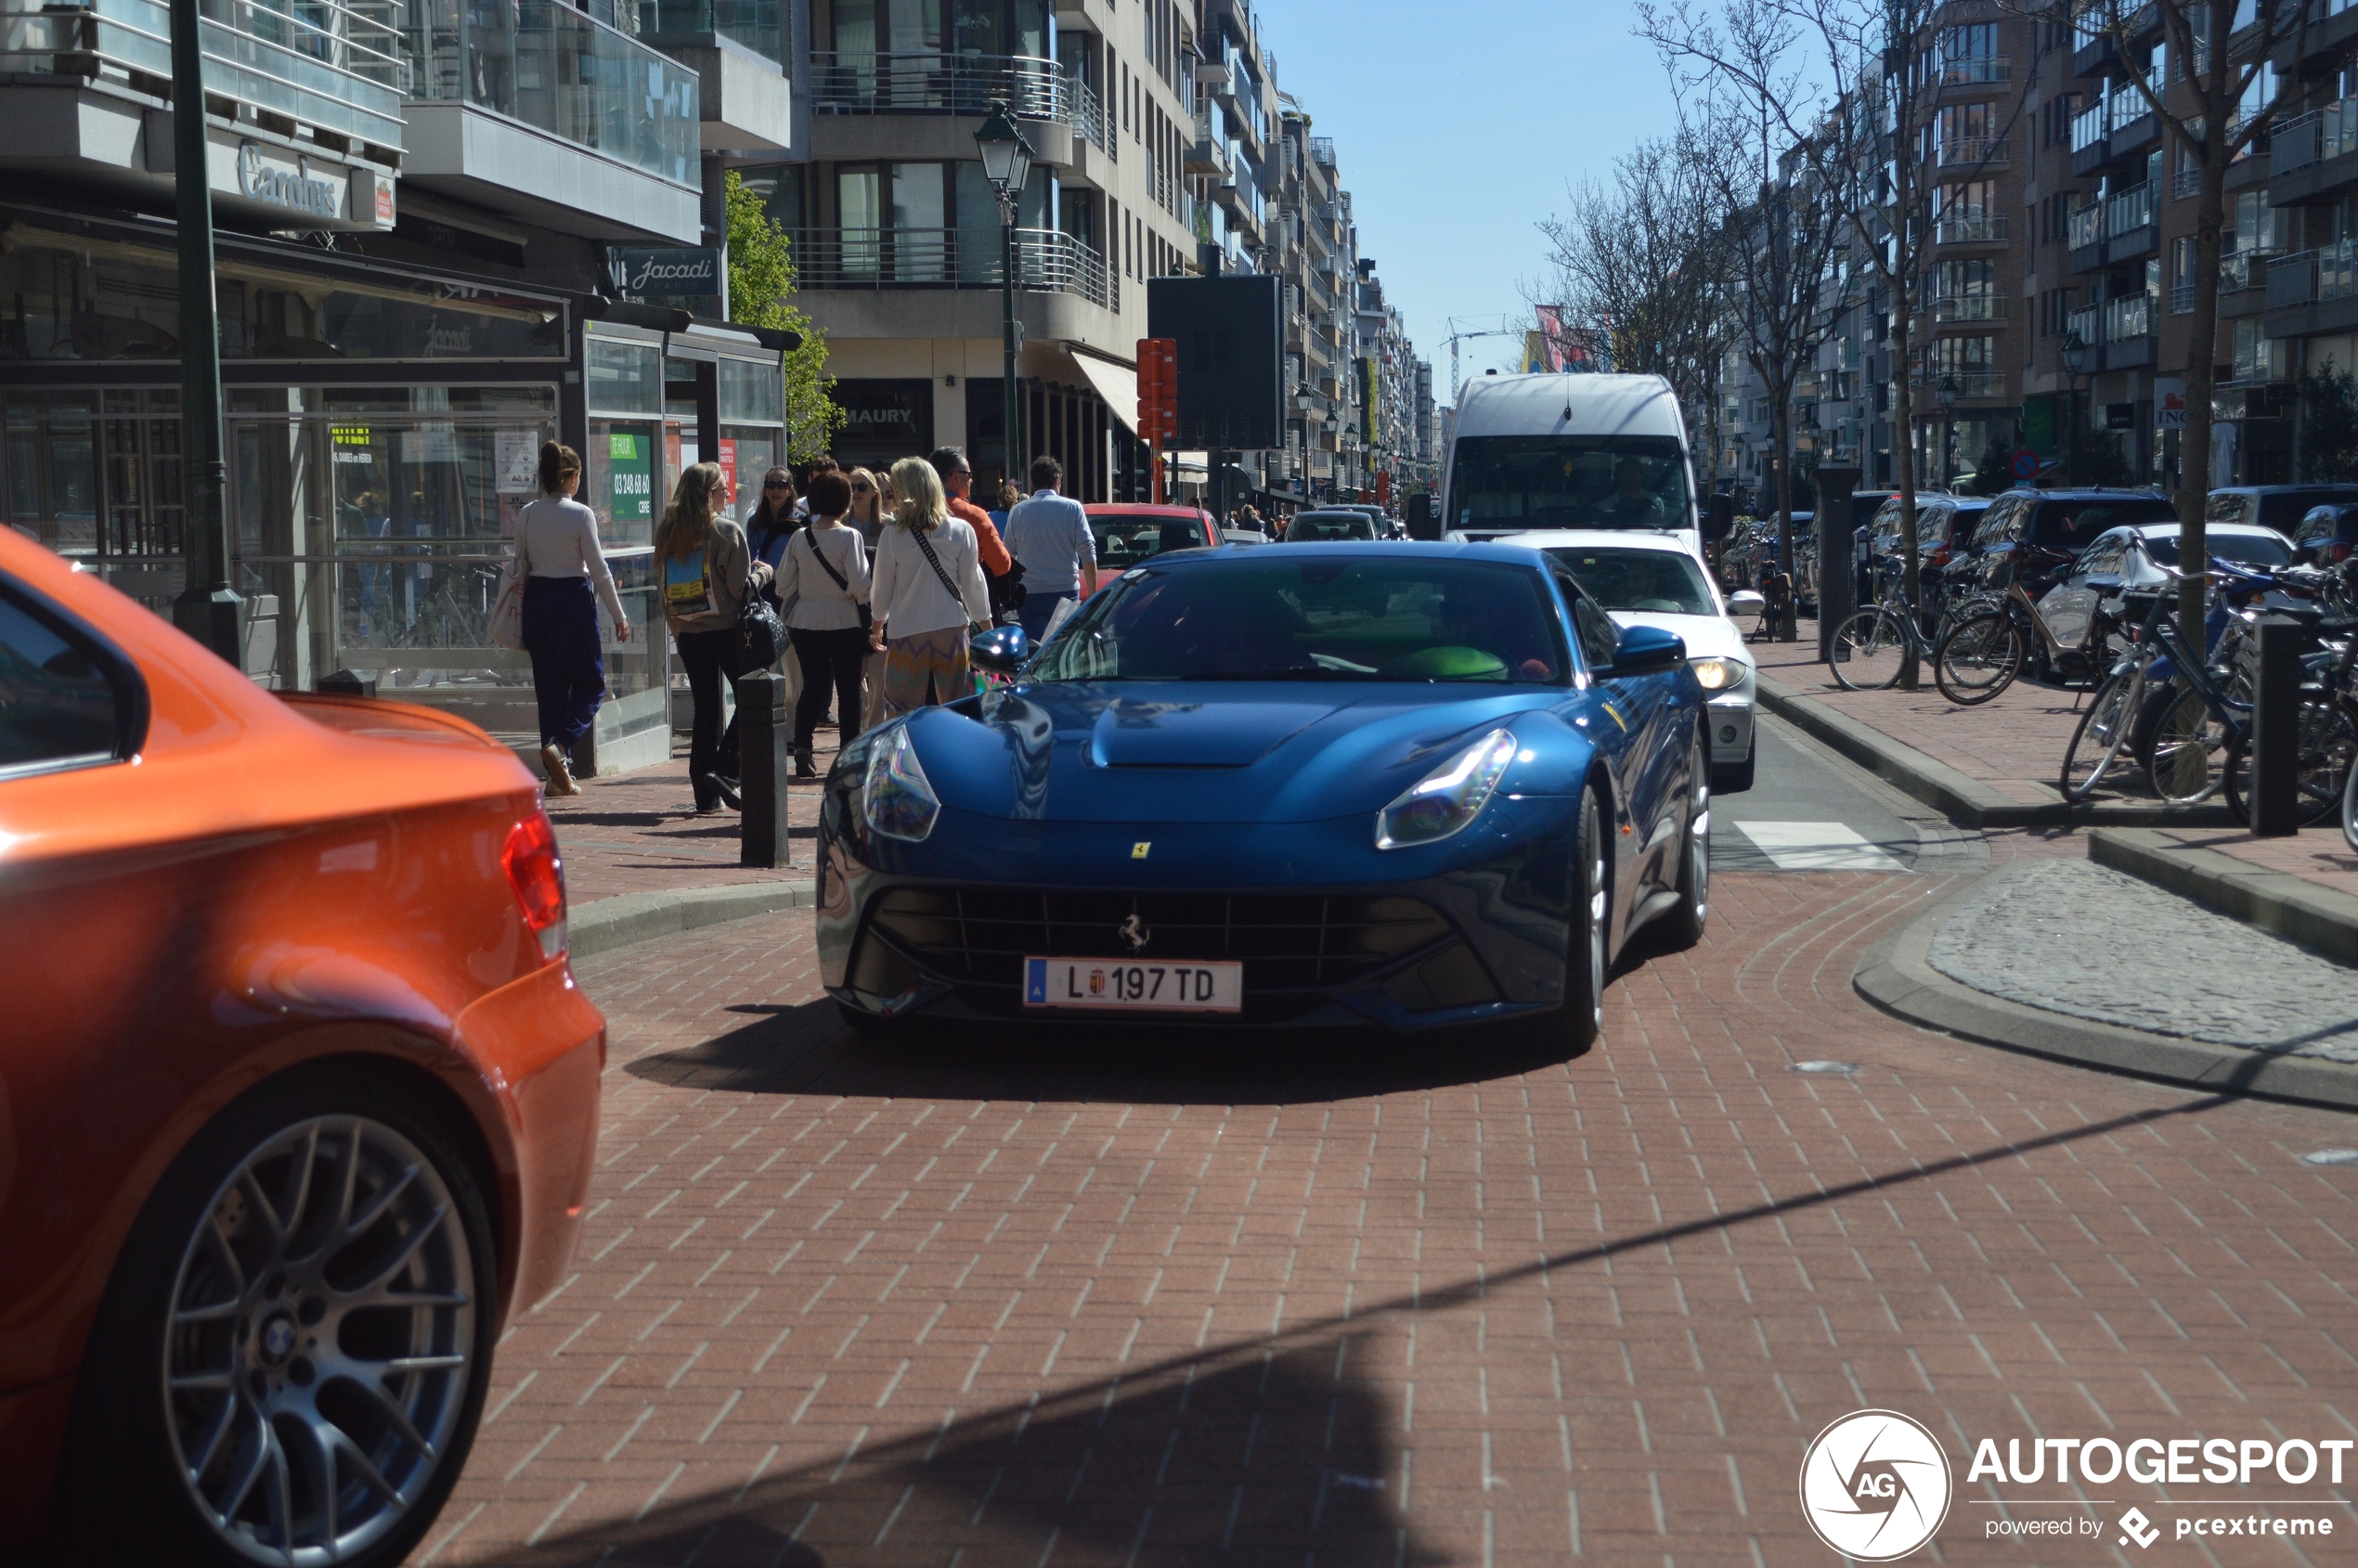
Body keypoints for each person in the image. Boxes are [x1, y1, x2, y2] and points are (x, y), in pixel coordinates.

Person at [506, 442, 630, 797]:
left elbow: (519, 561)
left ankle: (556, 776)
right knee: (592, 684)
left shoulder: (527, 513)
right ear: (572, 476)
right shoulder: (580, 514)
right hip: (572, 600)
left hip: (537, 602)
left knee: (551, 689)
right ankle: (560, 748)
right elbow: (600, 570)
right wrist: (619, 616)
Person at [654, 460, 771, 813]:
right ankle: (726, 769)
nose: (728, 494)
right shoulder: (726, 531)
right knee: (754, 696)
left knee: (705, 711)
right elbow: (738, 589)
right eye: (723, 489)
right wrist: (763, 573)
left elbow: (663, 589)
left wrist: (677, 628)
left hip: (689, 632)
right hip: (726, 632)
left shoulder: (668, 533)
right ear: (709, 495)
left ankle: (704, 793)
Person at [870, 455, 991, 715]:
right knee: (957, 709)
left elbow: (882, 589)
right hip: (952, 629)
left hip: (906, 632)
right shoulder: (961, 530)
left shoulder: (892, 535)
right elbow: (974, 586)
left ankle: (909, 754)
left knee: (902, 712)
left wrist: (876, 626)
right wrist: (987, 626)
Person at [774, 470, 871, 777]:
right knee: (848, 687)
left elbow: (782, 585)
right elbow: (860, 584)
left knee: (811, 687)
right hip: (844, 620)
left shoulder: (800, 537)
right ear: (844, 502)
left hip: (806, 621)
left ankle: (803, 746)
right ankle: (848, 752)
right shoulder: (850, 536)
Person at [1002, 455, 1097, 643]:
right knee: (1062, 648)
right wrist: (1093, 594)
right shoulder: (1072, 508)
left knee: (1035, 650)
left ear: (1032, 483)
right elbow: (1087, 551)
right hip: (1065, 591)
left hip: (1029, 593)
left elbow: (1008, 554)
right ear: (1056, 480)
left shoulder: (1018, 511)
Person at [928, 446, 1019, 625]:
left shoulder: (912, 515)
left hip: (921, 612)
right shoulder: (974, 515)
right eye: (968, 475)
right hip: (966, 609)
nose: (971, 480)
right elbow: (1001, 564)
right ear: (955, 477)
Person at [745, 468, 801, 608]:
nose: (776, 490)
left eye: (781, 485)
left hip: (793, 589)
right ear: (765, 489)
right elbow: (750, 559)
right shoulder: (755, 521)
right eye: (771, 485)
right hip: (765, 587)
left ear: (789, 489)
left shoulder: (801, 521)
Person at [1597, 457, 1667, 525]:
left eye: (1634, 472)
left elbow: (1657, 525)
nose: (1630, 476)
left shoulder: (1654, 500)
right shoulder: (1606, 505)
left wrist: (1645, 503)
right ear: (1618, 477)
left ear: (1641, 476)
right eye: (1625, 472)